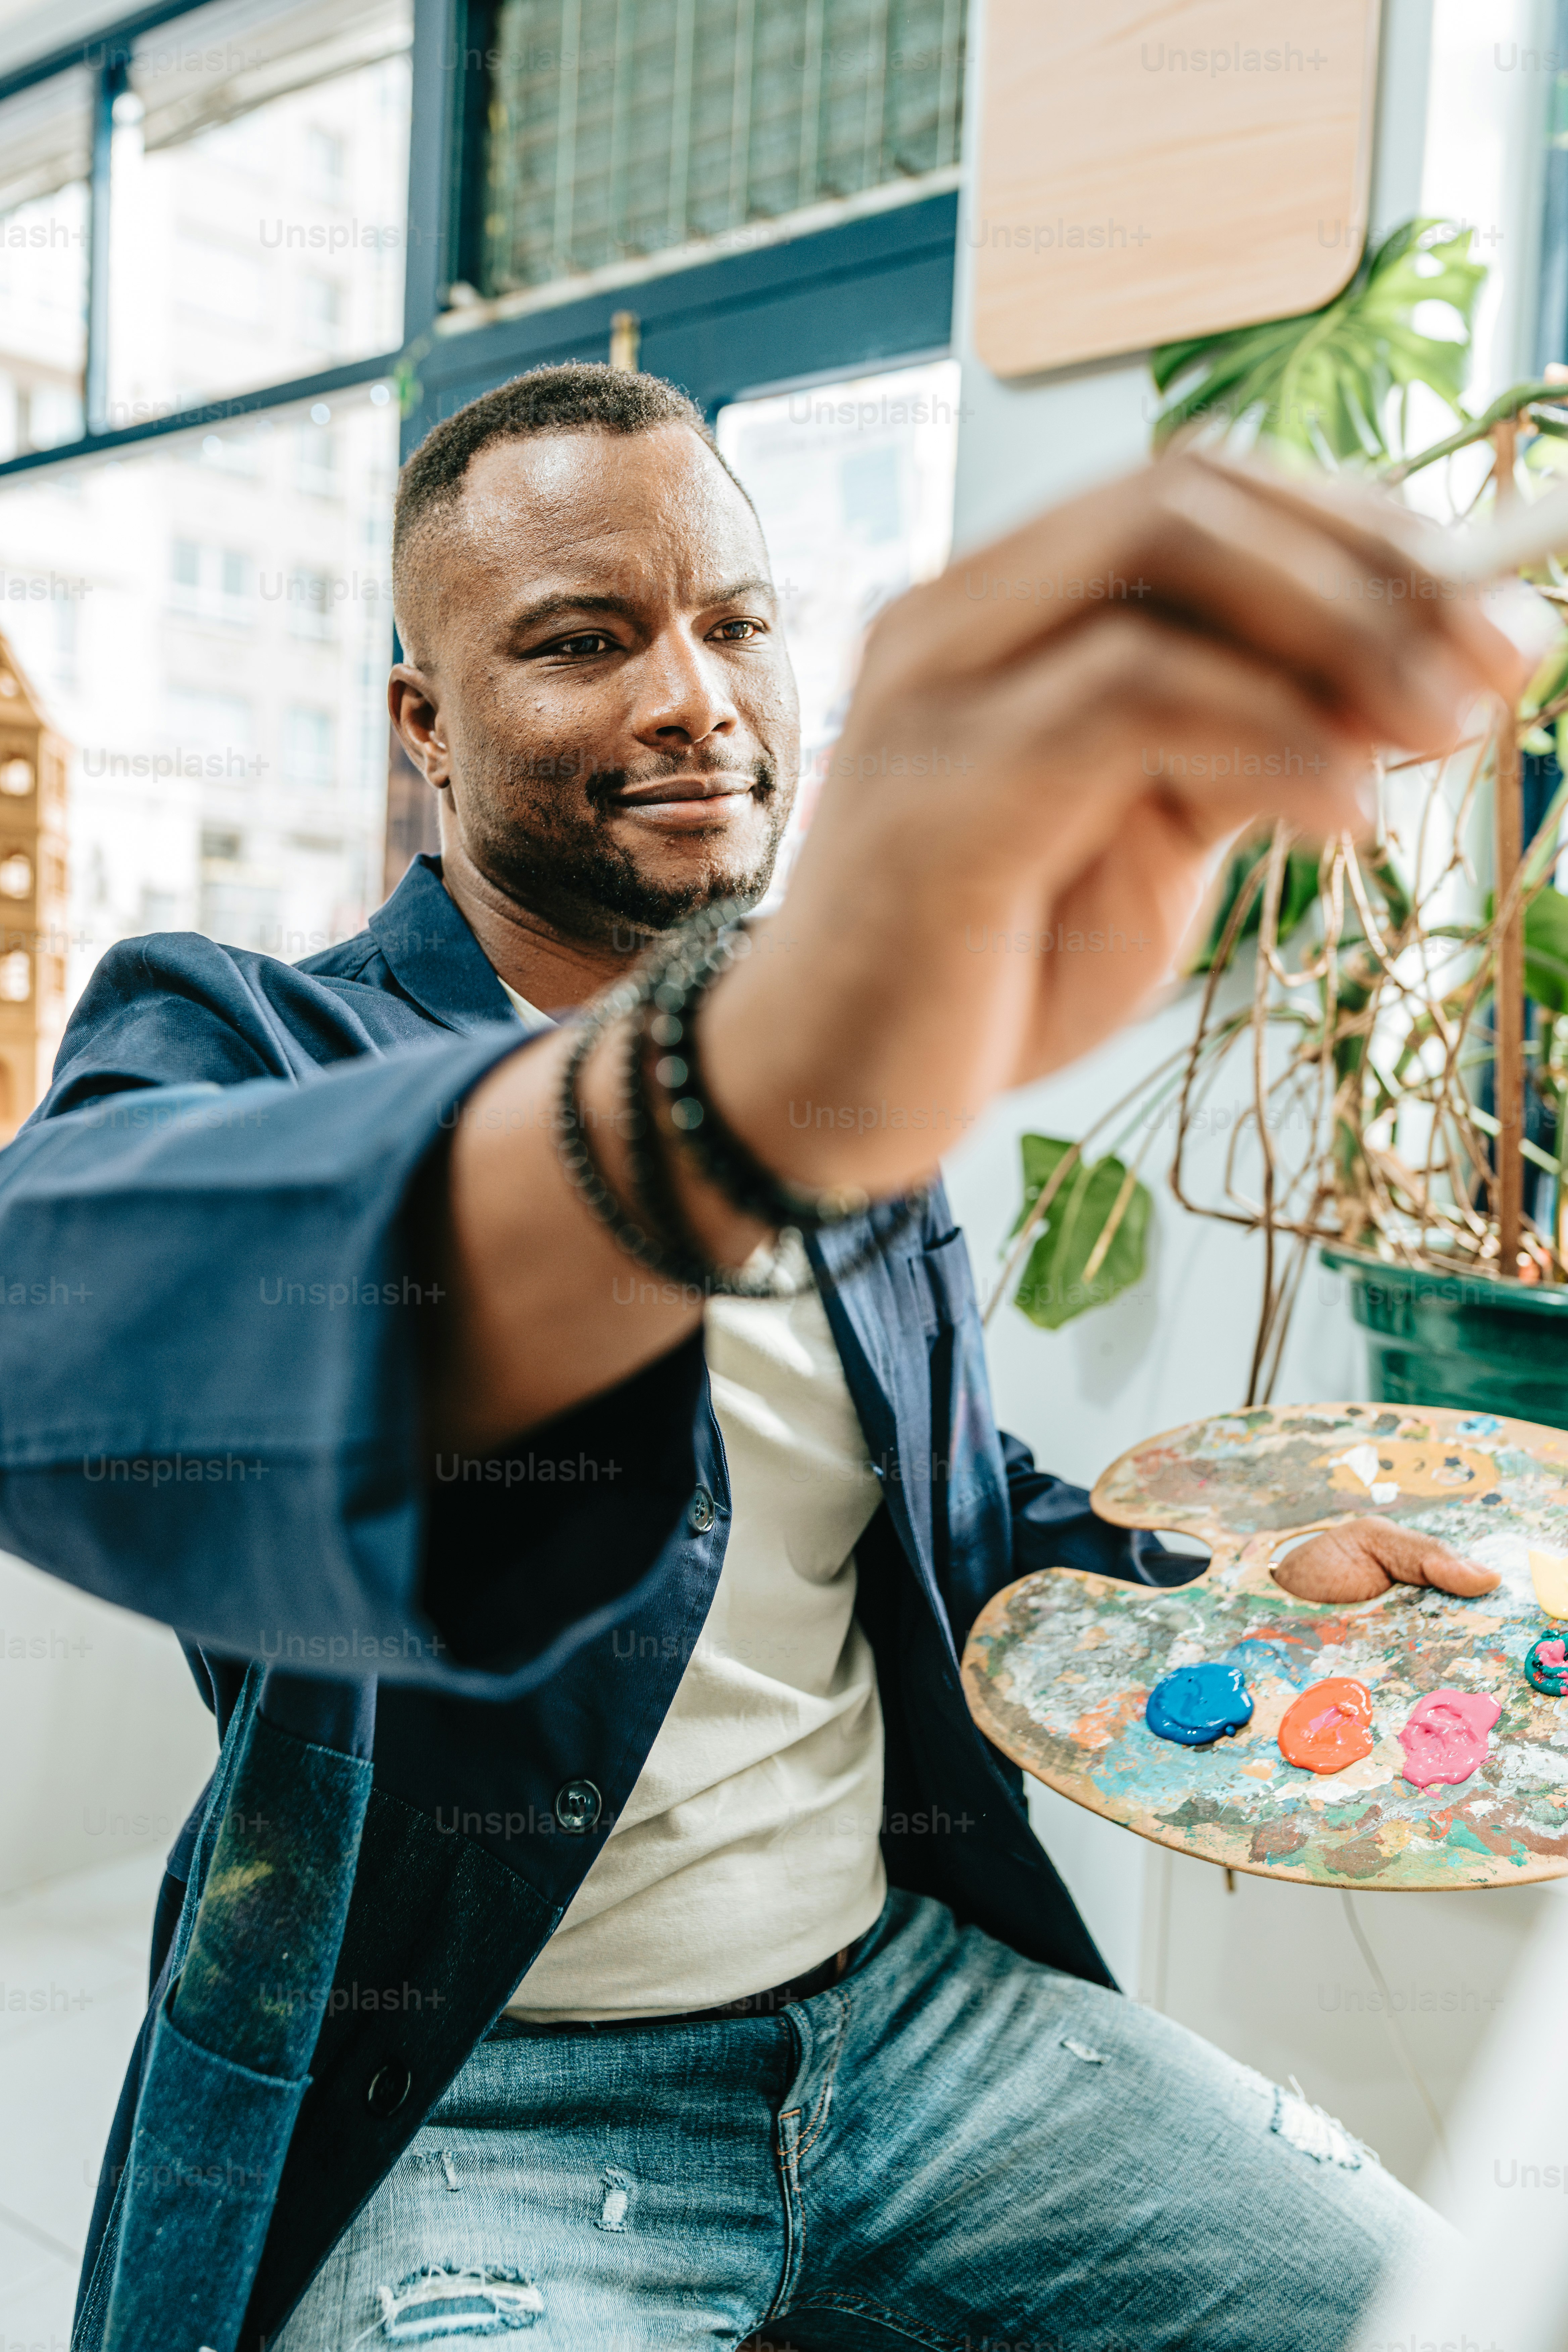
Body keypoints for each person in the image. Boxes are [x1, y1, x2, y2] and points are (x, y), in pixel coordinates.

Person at [1, 365, 1516, 2352]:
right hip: (471, 2095)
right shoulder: (260, 1041)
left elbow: (955, 1519)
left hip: (905, 2020)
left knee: (1453, 2309)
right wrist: (708, 1111)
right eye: (582, 641)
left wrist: (1213, 1593)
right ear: (422, 731)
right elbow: (63, 1325)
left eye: (735, 624)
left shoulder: (845, 1066)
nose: (694, 699)